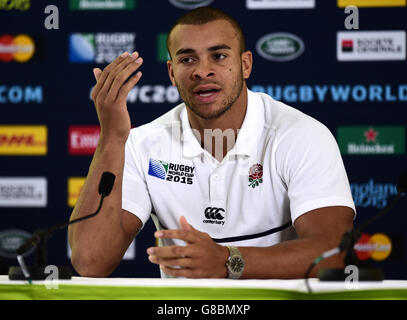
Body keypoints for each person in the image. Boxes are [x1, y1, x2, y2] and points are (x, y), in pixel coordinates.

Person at [68, 7, 355, 279]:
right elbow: (91, 261)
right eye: (187, 59)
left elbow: (332, 252)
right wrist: (112, 138)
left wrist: (227, 260)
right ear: (171, 72)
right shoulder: (142, 144)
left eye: (218, 56)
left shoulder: (300, 135)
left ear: (245, 65)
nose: (202, 71)